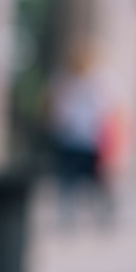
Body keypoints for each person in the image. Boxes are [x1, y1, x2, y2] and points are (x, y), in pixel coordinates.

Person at [49, 40, 119, 228]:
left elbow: (107, 108)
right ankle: (69, 217)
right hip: (72, 140)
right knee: (69, 183)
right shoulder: (64, 80)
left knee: (96, 183)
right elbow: (58, 110)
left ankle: (104, 216)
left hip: (90, 140)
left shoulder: (98, 81)